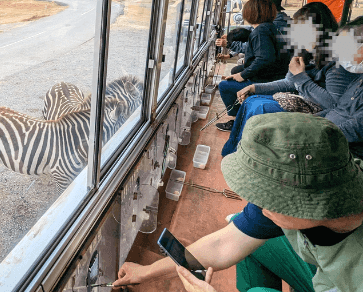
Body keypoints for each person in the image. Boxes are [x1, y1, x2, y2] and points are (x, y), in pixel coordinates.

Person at [114, 113, 363, 292]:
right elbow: (225, 243)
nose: (259, 205)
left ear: (310, 201)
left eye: (269, 198)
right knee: (248, 234)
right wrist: (146, 271)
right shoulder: (309, 181)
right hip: (320, 272)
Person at [225, 17, 363, 157]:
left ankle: (243, 154)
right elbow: (289, 82)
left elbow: (332, 104)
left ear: (320, 31)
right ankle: (236, 152)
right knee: (251, 101)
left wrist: (308, 130)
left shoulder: (336, 68)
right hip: (319, 120)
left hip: (325, 131)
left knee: (260, 107)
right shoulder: (306, 54)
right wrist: (255, 88)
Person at [216, 0, 289, 130]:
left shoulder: (260, 32)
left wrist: (243, 75)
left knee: (225, 86)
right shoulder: (269, 27)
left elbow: (265, 59)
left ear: (252, 13)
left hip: (267, 79)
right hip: (276, 75)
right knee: (234, 73)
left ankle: (237, 120)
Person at [217, 0, 288, 56]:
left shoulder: (275, 25)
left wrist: (229, 44)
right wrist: (232, 36)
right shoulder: (276, 21)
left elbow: (255, 46)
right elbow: (252, 30)